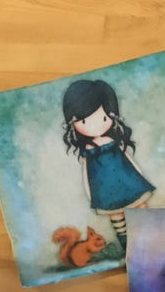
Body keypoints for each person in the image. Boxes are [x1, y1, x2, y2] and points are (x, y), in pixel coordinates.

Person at [62, 79, 155, 247]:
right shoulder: (88, 151)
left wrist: (139, 175)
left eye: (104, 117)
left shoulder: (113, 142)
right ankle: (126, 242)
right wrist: (90, 194)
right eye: (84, 121)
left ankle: (152, 231)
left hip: (128, 181)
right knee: (116, 214)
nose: (96, 126)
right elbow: (86, 173)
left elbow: (129, 159)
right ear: (72, 123)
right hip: (106, 190)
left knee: (140, 205)